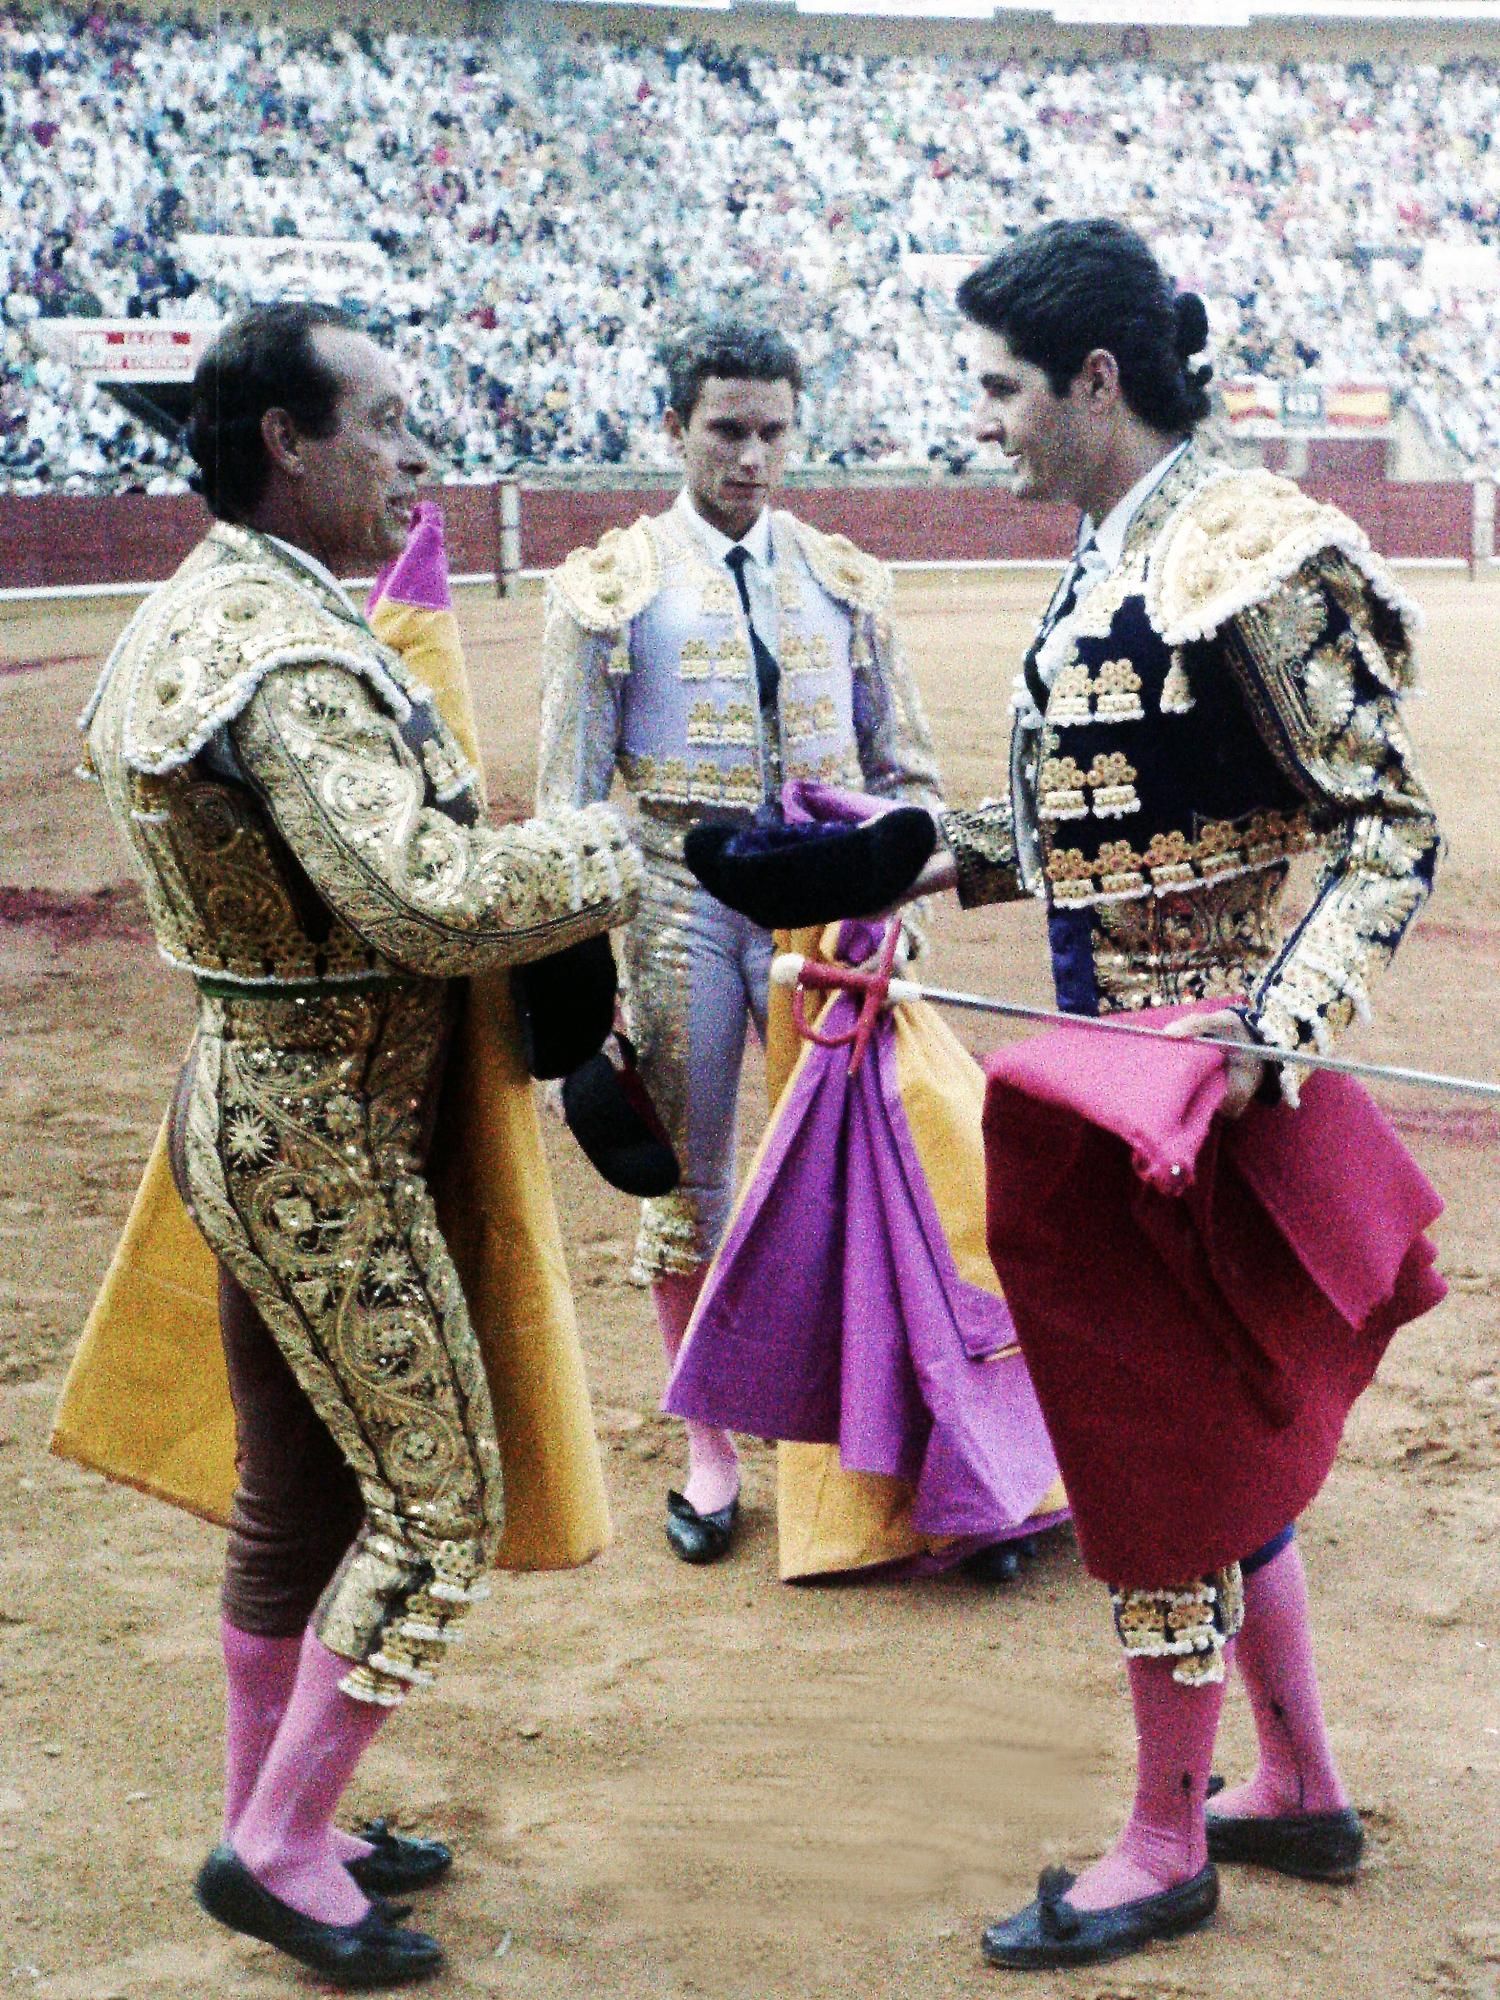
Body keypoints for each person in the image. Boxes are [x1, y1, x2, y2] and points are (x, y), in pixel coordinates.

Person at [736, 219, 1442, 1969]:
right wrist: (912, 859)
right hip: (1107, 1038)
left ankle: (1160, 1839)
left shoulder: (1254, 554)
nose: (981, 419)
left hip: (1186, 1072)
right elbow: (1106, 828)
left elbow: (1386, 826)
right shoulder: (1129, 534)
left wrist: (1272, 1026)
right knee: (1218, 1454)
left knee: (1148, 1458)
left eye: (999, 388)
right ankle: (1296, 1782)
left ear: (1095, 383)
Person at [78, 301, 640, 1986]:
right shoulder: (292, 651)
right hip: (325, 1141)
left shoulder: (192, 613)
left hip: (249, 1105)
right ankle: (280, 1844)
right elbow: (422, 895)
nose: (415, 455)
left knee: (300, 1497)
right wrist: (608, 850)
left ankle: (278, 1809)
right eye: (387, 422)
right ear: (288, 442)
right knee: (437, 1509)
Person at [536, 316, 942, 1563]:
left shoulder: (844, 577)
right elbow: (566, 802)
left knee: (858, 1163)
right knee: (689, 1175)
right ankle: (709, 1435)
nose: (753, 456)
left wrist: (900, 908)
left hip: (832, 903)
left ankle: (857, 1430)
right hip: (675, 897)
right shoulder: (609, 588)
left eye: (772, 430)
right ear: (676, 427)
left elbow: (906, 770)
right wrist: (580, 976)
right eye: (727, 429)